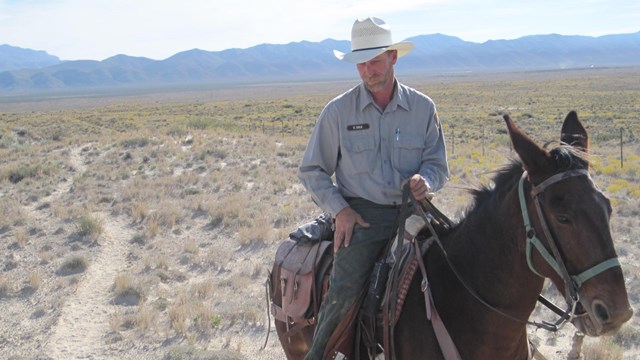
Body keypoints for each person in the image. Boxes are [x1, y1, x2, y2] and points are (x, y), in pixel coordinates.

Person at [298, 17, 449, 359]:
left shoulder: (423, 109)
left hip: (416, 212)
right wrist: (341, 210)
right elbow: (312, 170)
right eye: (361, 63)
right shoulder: (337, 113)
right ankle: (319, 353)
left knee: (463, 261)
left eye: (375, 61)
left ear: (393, 57)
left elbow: (438, 166)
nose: (368, 70)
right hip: (364, 218)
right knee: (345, 288)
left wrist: (426, 180)